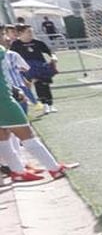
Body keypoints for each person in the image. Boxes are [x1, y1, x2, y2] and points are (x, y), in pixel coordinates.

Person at [0, 33, 68, 182]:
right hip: (4, 102)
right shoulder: (2, 51)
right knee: (27, 135)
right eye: (3, 34)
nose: (7, 38)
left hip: (5, 97)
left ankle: (17, 171)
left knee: (3, 137)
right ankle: (54, 169)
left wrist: (13, 89)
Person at [9, 24, 57, 113]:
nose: (31, 34)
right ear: (21, 33)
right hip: (27, 69)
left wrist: (53, 57)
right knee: (37, 84)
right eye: (28, 32)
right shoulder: (16, 44)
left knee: (45, 85)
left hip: (41, 66)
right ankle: (44, 104)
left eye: (31, 31)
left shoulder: (38, 42)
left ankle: (50, 104)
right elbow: (12, 56)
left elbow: (49, 51)